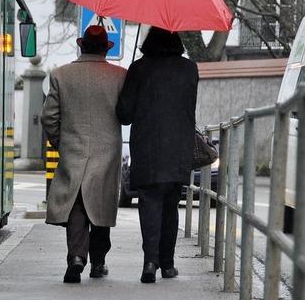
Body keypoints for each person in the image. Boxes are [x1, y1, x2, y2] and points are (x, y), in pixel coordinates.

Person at [41, 25, 126, 283]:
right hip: (107, 151)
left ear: (81, 45)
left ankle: (76, 257)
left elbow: (49, 117)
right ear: (106, 48)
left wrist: (61, 142)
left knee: (77, 205)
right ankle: (98, 262)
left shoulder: (60, 75)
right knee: (100, 206)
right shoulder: (120, 76)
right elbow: (126, 113)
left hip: (73, 148)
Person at [116, 26, 199, 283]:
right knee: (171, 206)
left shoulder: (139, 69)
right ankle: (168, 264)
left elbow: (124, 114)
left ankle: (149, 263)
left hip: (148, 149)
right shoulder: (190, 69)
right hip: (177, 148)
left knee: (149, 203)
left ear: (148, 41)